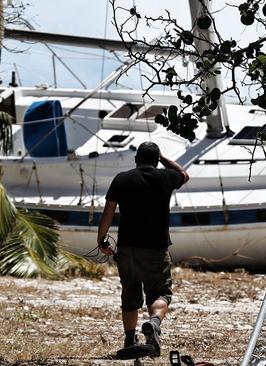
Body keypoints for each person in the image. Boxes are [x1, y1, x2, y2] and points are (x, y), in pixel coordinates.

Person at [97, 141, 189, 358]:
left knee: (130, 294)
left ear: (136, 159)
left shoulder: (122, 179)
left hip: (128, 248)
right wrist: (163, 158)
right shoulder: (166, 177)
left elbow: (108, 211)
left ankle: (130, 339)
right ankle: (154, 323)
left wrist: (102, 239)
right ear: (157, 161)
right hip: (156, 248)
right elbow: (183, 173)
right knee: (159, 293)